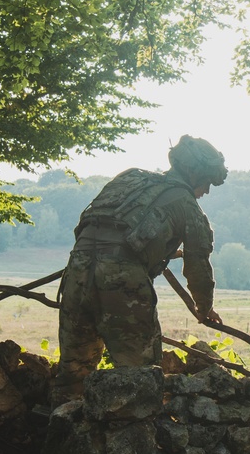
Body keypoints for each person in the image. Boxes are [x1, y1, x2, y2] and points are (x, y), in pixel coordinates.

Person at [51, 135, 227, 406]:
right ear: (194, 173)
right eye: (207, 182)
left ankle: (61, 432)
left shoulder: (131, 178)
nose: (206, 191)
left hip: (77, 270)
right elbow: (198, 267)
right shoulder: (187, 206)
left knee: (74, 372)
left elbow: (99, 225)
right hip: (123, 282)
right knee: (139, 378)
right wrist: (204, 308)